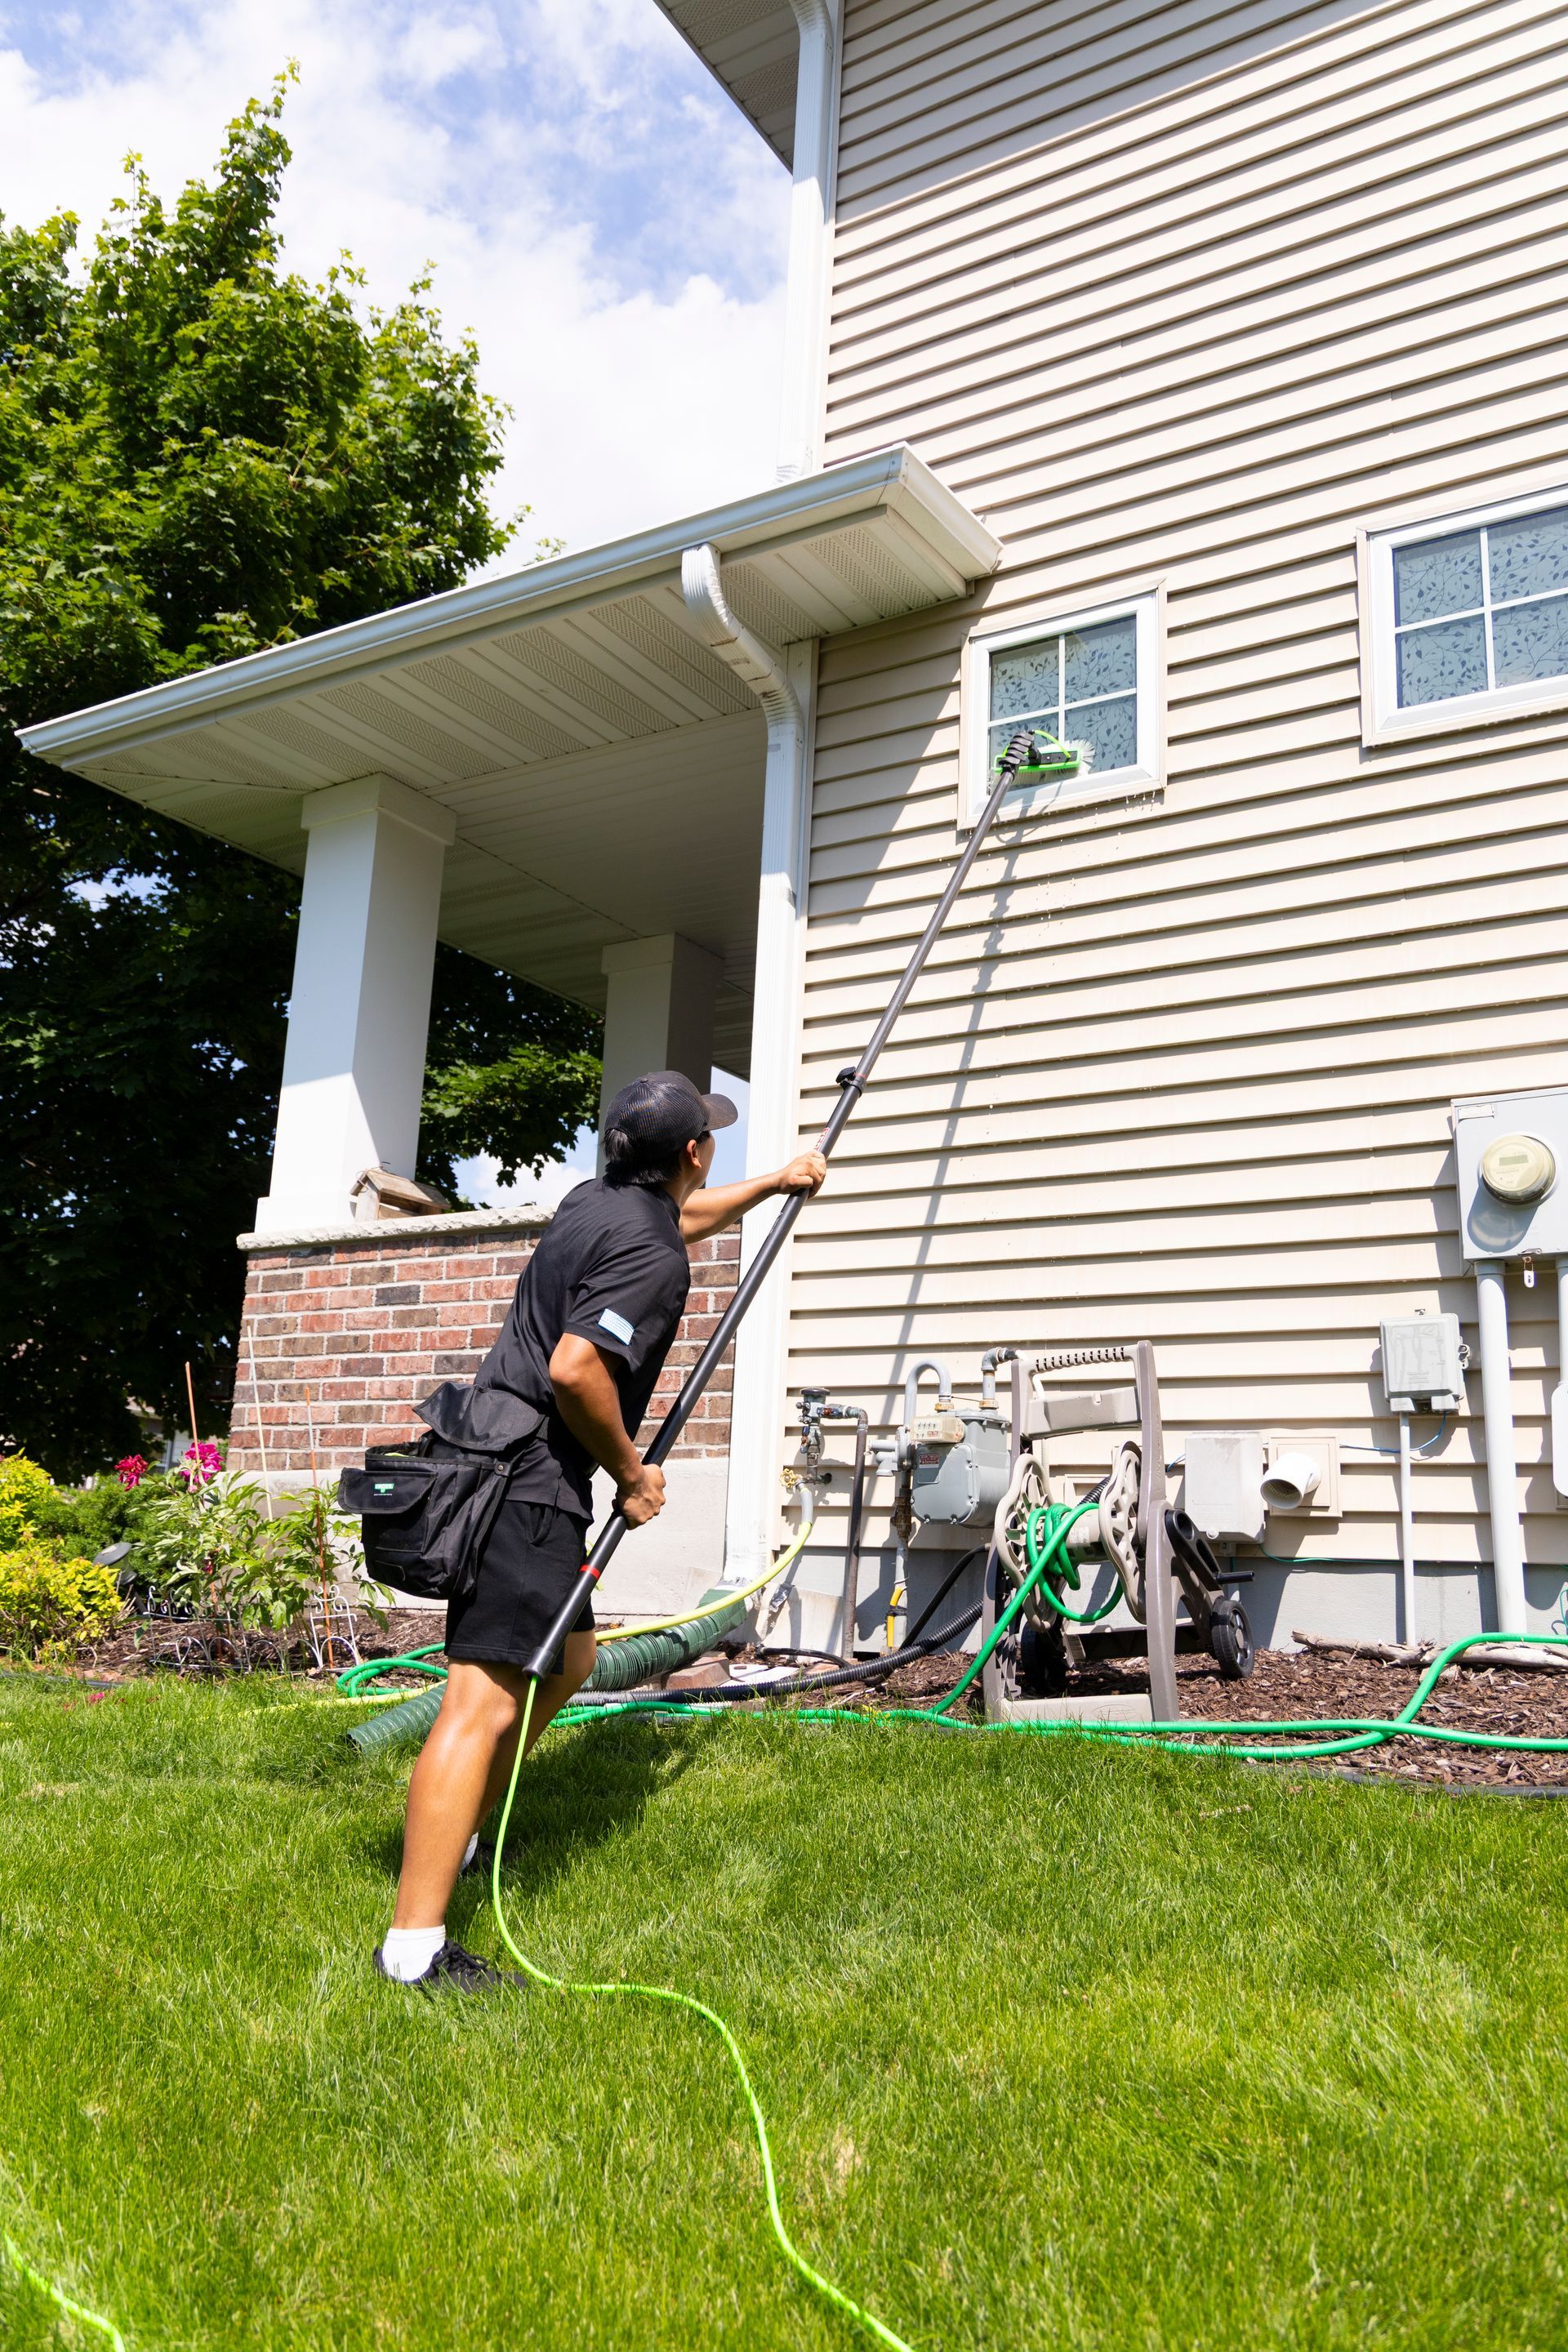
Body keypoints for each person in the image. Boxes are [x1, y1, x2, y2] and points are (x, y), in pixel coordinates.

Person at [376, 1068, 827, 1990]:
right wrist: (632, 1470)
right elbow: (579, 1368)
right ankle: (412, 1948)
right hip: (527, 1482)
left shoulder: (596, 1205)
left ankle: (461, 1828)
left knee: (571, 1663)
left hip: (498, 1458)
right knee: (481, 1703)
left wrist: (776, 1183)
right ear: (692, 1152)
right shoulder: (650, 1254)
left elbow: (681, 1223)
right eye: (711, 1141)